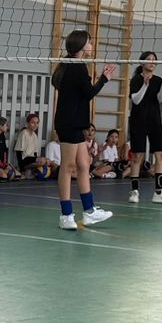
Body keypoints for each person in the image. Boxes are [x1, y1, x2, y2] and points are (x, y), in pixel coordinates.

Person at [51, 29, 117, 229]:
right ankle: (65, 215)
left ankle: (89, 211)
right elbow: (89, 93)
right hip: (69, 123)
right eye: (89, 42)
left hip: (75, 123)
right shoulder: (77, 67)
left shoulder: (73, 66)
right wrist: (104, 78)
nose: (91, 45)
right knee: (68, 167)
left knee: (84, 164)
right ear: (80, 46)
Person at [126, 51, 162, 204]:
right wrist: (145, 85)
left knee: (161, 155)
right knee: (137, 157)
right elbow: (136, 100)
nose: (152, 62)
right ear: (142, 62)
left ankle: (158, 193)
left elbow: (160, 99)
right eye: (149, 59)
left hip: (154, 121)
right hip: (138, 121)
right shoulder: (136, 79)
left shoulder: (158, 80)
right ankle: (134, 192)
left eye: (154, 60)